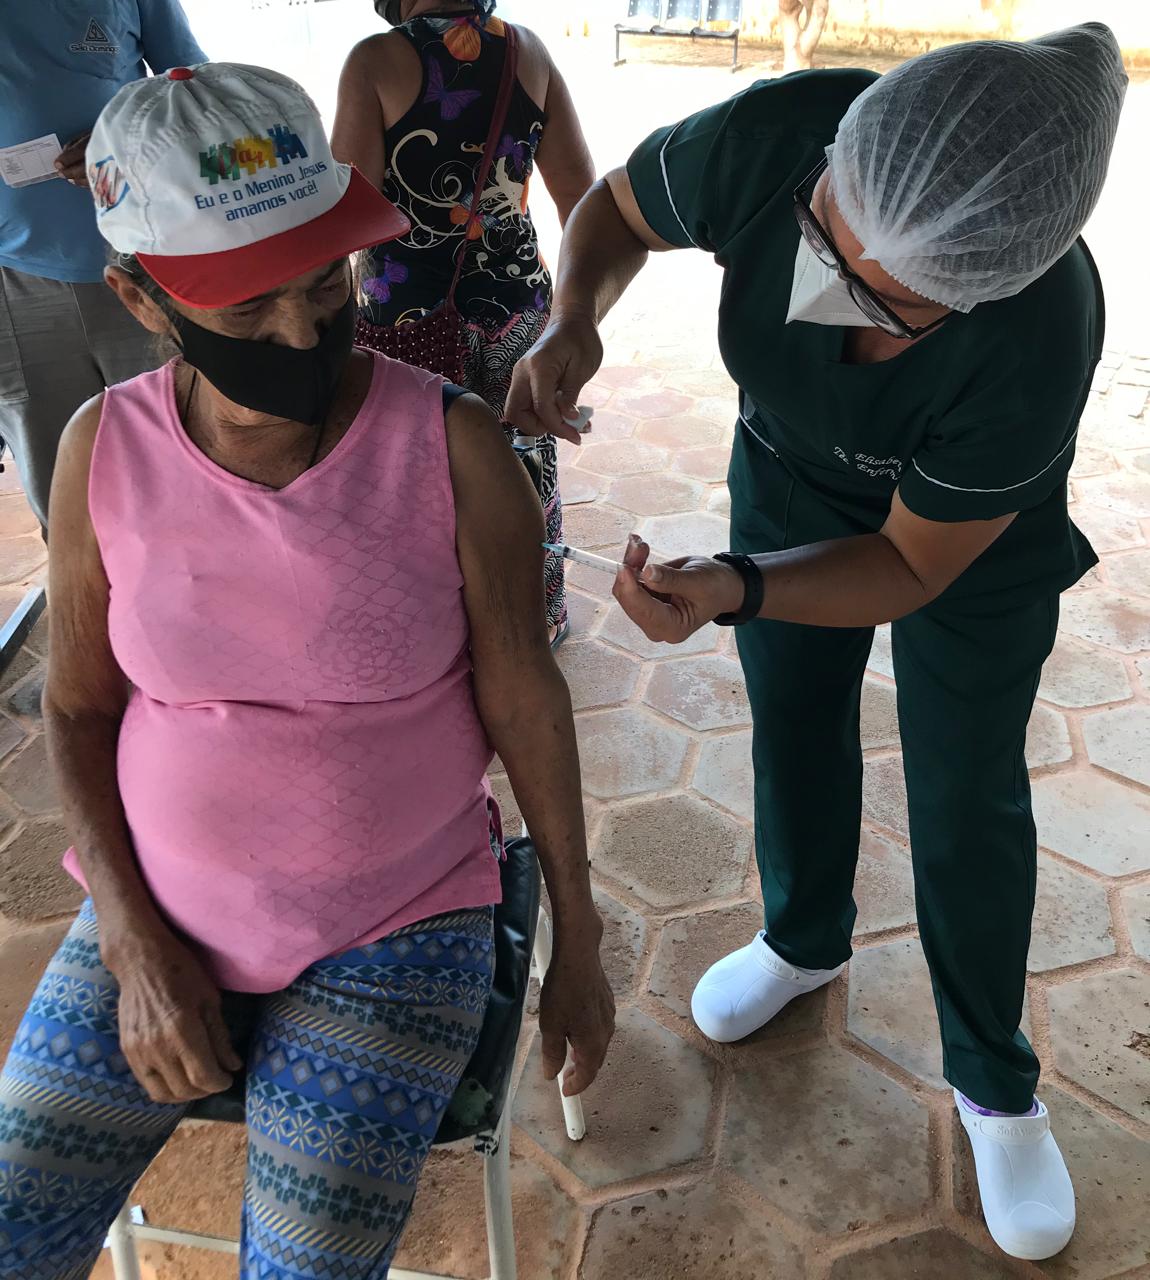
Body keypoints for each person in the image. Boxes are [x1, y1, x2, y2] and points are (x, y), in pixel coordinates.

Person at [507, 24, 1127, 1263]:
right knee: (791, 713)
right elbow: (615, 210)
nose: (824, 289)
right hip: (788, 475)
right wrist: (574, 314)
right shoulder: (782, 136)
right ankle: (800, 936)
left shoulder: (1038, 331)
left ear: (983, 293)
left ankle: (993, 1081)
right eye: (817, 237)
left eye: (886, 298)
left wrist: (736, 585)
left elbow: (904, 566)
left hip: (963, 548)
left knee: (964, 787)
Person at [0, 63, 614, 1279]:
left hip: (395, 919)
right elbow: (77, 705)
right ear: (140, 295)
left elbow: (524, 695)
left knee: (308, 1264)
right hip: (158, 904)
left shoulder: (454, 443)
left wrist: (581, 940)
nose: (301, 332)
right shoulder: (101, 448)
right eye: (245, 310)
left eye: (326, 282)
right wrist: (128, 937)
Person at [331, 0, 595, 646]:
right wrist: (573, 314)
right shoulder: (529, 51)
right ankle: (536, 618)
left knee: (415, 467)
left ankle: (437, 633)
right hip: (515, 304)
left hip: (405, 310)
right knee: (523, 456)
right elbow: (581, 195)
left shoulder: (374, 60)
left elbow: (347, 206)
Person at [0, 0, 205, 532]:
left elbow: (196, 89)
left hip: (142, 264)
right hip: (12, 281)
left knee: (184, 461)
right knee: (63, 493)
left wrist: (126, 137)